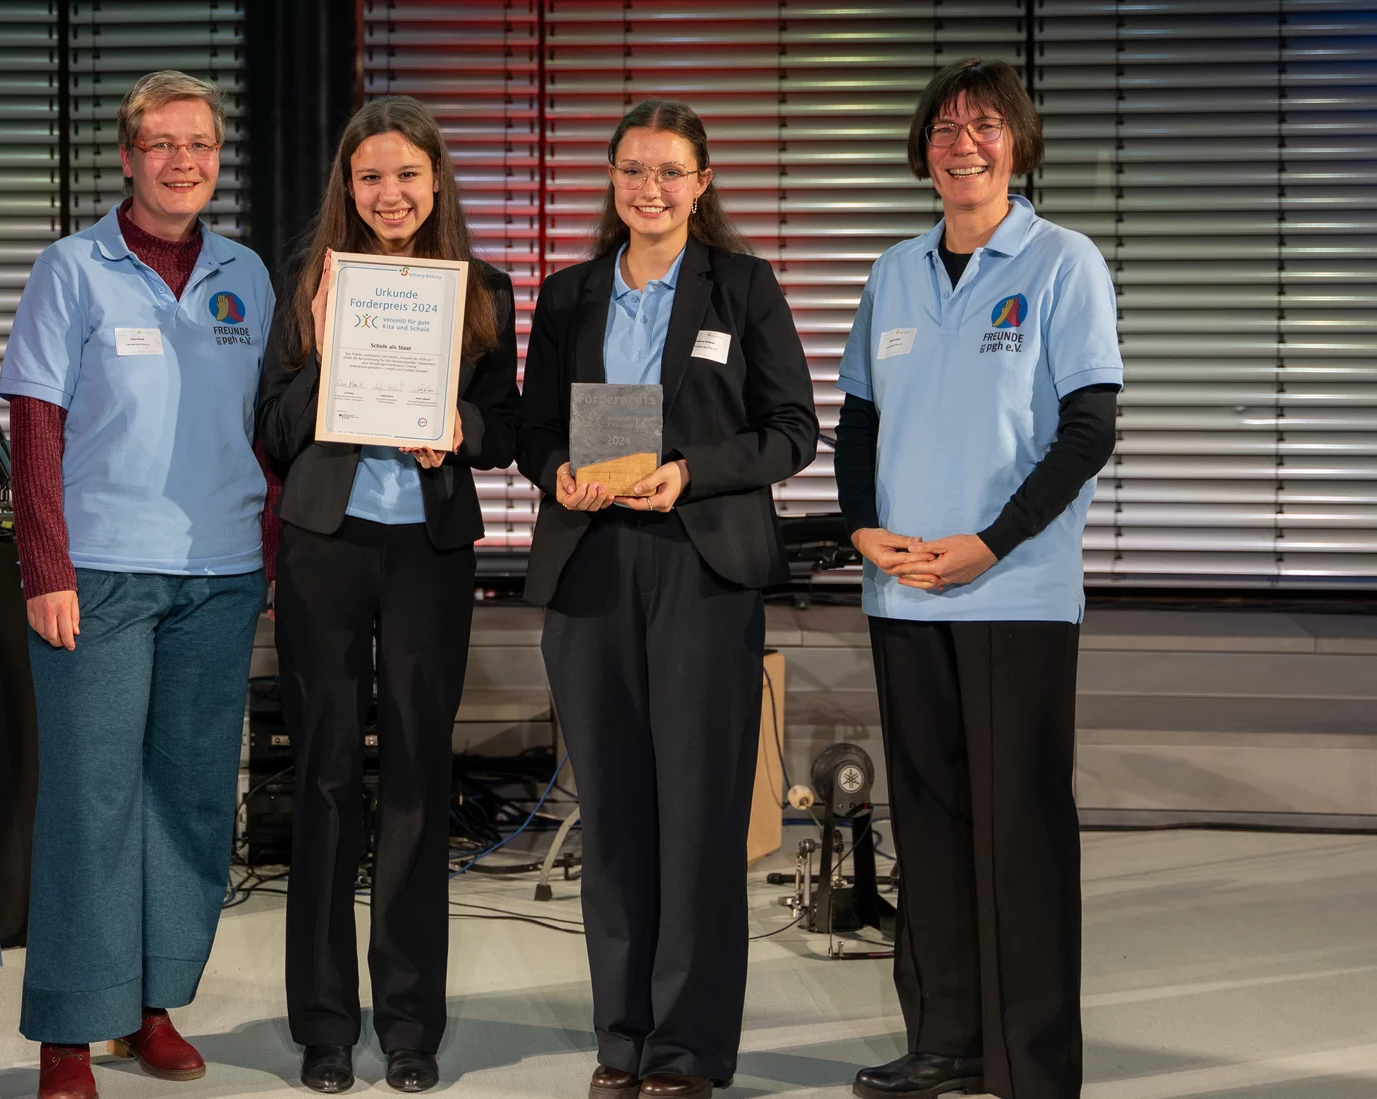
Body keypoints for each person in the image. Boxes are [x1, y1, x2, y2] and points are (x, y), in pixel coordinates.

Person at [518, 99, 818, 1099]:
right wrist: (560, 465)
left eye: (668, 171)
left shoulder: (741, 287)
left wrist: (689, 469)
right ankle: (622, 1035)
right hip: (592, 565)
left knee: (695, 814)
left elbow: (790, 429)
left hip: (700, 565)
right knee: (609, 812)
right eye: (630, 170)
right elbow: (530, 426)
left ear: (700, 182)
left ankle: (686, 1049)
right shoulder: (567, 296)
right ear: (610, 181)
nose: (647, 188)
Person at [835, 58, 1120, 1099]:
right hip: (901, 587)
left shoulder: (1060, 261)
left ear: (1017, 143)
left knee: (1022, 828)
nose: (963, 143)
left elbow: (1089, 426)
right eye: (944, 129)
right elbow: (859, 414)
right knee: (928, 817)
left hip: (1015, 589)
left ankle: (1032, 1065)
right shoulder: (893, 270)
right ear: (921, 153)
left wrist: (991, 542)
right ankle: (944, 1041)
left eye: (984, 125)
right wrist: (862, 528)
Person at [0, 70, 275, 1099]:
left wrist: (272, 562)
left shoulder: (245, 271)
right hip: (100, 573)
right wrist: (45, 566)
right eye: (159, 143)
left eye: (198, 143)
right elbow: (35, 424)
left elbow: (269, 432)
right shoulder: (72, 268)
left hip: (222, 572)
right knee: (91, 799)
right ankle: (70, 1029)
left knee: (190, 799)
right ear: (125, 156)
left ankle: (151, 1007)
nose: (181, 160)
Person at [257, 96, 520, 1095]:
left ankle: (410, 1022)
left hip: (426, 552)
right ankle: (323, 1025)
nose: (389, 192)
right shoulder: (310, 283)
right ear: (347, 187)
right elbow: (274, 429)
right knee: (322, 776)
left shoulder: (480, 289)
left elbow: (502, 424)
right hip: (323, 545)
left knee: (416, 777)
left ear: (436, 180)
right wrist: (326, 347)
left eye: (406, 174)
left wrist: (452, 421)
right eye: (369, 176)